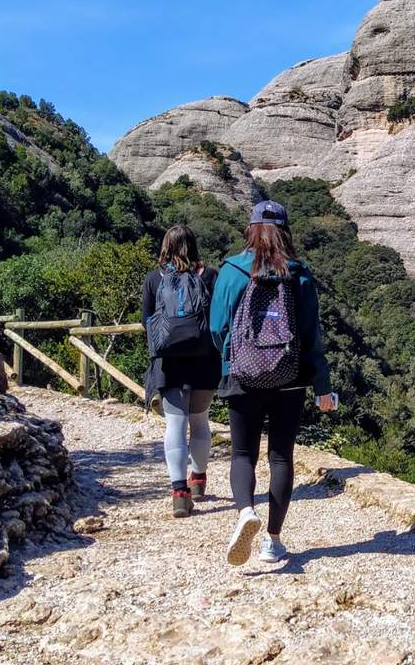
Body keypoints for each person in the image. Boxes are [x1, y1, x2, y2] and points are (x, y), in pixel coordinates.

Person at [210, 199, 337, 565]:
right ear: (285, 231)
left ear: (251, 229)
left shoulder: (232, 271)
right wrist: (322, 386)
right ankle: (273, 541)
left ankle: (246, 512)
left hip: (242, 376)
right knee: (281, 456)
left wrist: (234, 358)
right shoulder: (299, 274)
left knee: (242, 453)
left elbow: (217, 328)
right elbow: (312, 337)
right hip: (290, 379)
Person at [142, 225, 221, 519]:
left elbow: (145, 321)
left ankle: (179, 494)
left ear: (165, 246)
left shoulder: (154, 278)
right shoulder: (210, 276)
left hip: (168, 364)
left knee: (174, 425)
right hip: (204, 361)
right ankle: (198, 481)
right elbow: (218, 319)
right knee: (200, 422)